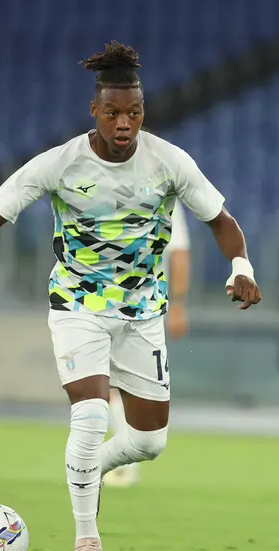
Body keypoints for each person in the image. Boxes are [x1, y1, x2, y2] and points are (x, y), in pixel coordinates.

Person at [0, 41, 261, 551]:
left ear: (143, 113)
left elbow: (222, 220)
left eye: (135, 113)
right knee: (92, 414)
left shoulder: (169, 162)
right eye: (114, 113)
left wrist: (242, 268)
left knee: (149, 443)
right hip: (76, 304)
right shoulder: (59, 164)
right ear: (95, 111)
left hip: (144, 312)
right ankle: (87, 541)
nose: (125, 123)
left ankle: (87, 467)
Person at [105, 200, 190, 487]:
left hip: (139, 308)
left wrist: (178, 305)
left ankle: (124, 463)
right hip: (113, 304)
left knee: (115, 388)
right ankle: (122, 460)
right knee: (110, 387)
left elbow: (179, 255)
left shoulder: (163, 199)